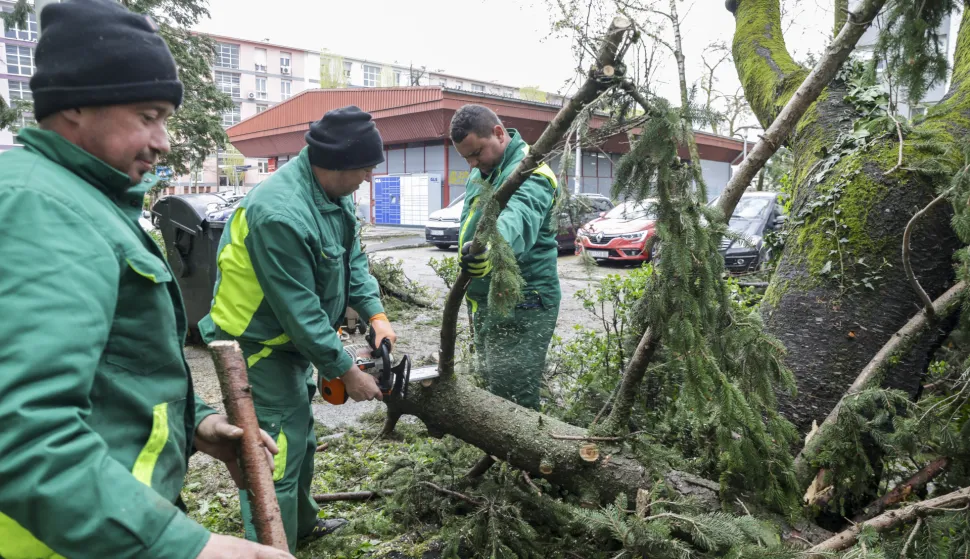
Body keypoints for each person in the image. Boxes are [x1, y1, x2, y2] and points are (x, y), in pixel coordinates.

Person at [0, 1, 292, 558]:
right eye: (148, 115)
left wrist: (199, 423)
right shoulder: (40, 208)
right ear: (76, 106)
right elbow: (21, 430)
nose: (164, 141)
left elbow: (113, 370)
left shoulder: (88, 201)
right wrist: (184, 548)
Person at [199, 105, 397, 552]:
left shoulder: (333, 194)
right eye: (365, 169)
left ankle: (301, 525)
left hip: (290, 338)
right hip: (256, 342)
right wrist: (347, 371)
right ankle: (272, 547)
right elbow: (300, 311)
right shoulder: (280, 213)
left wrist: (375, 314)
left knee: (301, 435)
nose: (368, 178)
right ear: (337, 164)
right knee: (277, 452)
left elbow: (353, 260)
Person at [450, 105, 561, 411]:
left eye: (477, 153)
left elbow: (517, 219)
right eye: (467, 158)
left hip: (523, 302)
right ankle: (501, 453)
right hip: (489, 299)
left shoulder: (534, 174)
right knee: (496, 385)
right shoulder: (482, 170)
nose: (473, 163)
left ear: (499, 133)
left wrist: (491, 248)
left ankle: (523, 456)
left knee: (516, 396)